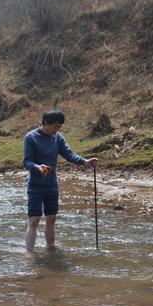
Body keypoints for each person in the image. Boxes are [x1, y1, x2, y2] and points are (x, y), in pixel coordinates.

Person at [23, 108, 98, 253]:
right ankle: (29, 254)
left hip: (52, 185)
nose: (57, 130)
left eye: (59, 127)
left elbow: (68, 154)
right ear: (46, 123)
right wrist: (38, 167)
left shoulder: (58, 137)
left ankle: (50, 248)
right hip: (35, 185)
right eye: (55, 126)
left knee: (51, 219)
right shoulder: (31, 137)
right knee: (34, 221)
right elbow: (27, 161)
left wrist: (85, 161)